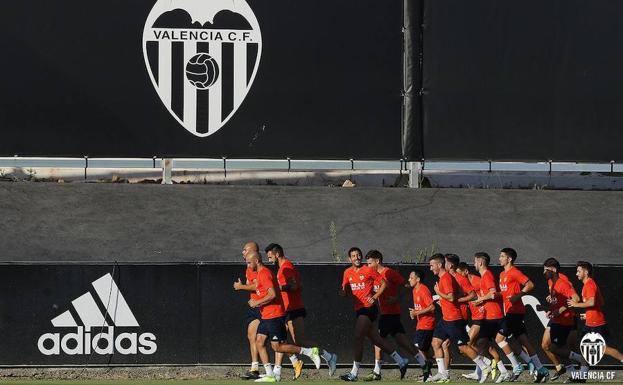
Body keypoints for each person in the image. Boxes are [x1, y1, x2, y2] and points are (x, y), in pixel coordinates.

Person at [246, 251, 322, 383]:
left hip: (275, 315)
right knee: (259, 341)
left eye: (249, 262)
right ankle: (270, 374)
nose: (247, 265)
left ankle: (309, 352)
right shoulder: (259, 274)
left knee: (278, 347)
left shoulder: (264, 273)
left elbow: (272, 294)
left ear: (257, 261)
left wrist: (256, 302)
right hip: (266, 315)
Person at [265, 243, 338, 379]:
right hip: (287, 309)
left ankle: (329, 356)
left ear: (277, 254)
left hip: (294, 308)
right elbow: (299, 284)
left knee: (298, 341)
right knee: (280, 341)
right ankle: (281, 370)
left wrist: (280, 288)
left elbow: (295, 285)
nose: (269, 260)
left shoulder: (286, 267)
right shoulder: (283, 267)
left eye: (270, 257)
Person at [339, 247, 409, 382]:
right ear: (350, 259)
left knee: (358, 336)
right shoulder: (347, 272)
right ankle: (401, 361)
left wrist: (375, 296)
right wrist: (343, 293)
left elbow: (384, 283)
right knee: (377, 340)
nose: (357, 257)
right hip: (359, 309)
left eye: (358, 255)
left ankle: (354, 373)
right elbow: (345, 291)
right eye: (354, 256)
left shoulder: (368, 269)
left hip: (368, 308)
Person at [364, 250, 431, 381]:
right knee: (404, 343)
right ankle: (424, 364)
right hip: (388, 314)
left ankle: (379, 371)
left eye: (370, 262)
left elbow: (405, 286)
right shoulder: (373, 275)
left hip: (390, 314)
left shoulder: (389, 273)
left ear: (378, 261)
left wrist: (396, 298)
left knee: (377, 341)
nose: (368, 265)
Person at [427, 254, 492, 383]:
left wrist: (439, 293)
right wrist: (443, 299)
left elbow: (454, 297)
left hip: (455, 318)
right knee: (436, 343)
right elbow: (451, 298)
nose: (430, 268)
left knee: (463, 347)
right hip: (446, 318)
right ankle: (442, 373)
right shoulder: (446, 277)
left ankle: (485, 366)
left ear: (443, 265)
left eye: (431, 265)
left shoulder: (449, 278)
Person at [493, 248, 548, 382]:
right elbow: (505, 294)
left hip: (515, 312)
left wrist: (518, 295)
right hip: (511, 312)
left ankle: (517, 365)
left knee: (499, 339)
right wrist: (495, 295)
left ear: (509, 259)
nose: (499, 258)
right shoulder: (502, 274)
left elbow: (530, 284)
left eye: (502, 256)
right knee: (523, 341)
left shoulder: (514, 272)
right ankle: (541, 370)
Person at [536, 258, 588, 383]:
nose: (543, 273)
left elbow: (575, 299)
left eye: (545, 270)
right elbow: (558, 299)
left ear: (553, 269)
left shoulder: (563, 281)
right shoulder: (551, 281)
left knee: (565, 347)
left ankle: (581, 368)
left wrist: (559, 310)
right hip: (557, 318)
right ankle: (568, 371)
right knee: (549, 346)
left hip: (566, 318)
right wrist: (549, 306)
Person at [233, 241, 279, 380]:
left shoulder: (262, 272)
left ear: (255, 253)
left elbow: (259, 287)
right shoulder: (251, 268)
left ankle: (296, 358)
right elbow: (252, 286)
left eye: (245, 250)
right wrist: (245, 287)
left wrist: (241, 287)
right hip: (257, 306)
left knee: (277, 343)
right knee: (253, 336)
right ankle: (256, 368)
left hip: (265, 307)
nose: (243, 252)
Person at [457, 260, 506, 383]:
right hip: (475, 317)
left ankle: (488, 365)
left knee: (468, 345)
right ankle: (485, 368)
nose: (457, 277)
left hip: (481, 317)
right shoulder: (463, 284)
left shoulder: (478, 280)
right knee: (480, 346)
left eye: (459, 273)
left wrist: (482, 304)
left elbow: (494, 294)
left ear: (466, 271)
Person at [567, 261, 623, 363]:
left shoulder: (589, 284)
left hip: (595, 323)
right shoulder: (588, 284)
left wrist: (576, 305)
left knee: (600, 348)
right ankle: (582, 373)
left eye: (579, 271)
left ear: (586, 272)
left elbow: (592, 302)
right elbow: (600, 302)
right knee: (587, 347)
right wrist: (588, 314)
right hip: (592, 321)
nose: (576, 274)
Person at [471, 253, 512, 384]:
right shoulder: (484, 276)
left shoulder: (487, 275)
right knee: (484, 345)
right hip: (489, 315)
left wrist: (480, 300)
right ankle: (501, 371)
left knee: (480, 344)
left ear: (480, 263)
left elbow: (493, 292)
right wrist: (482, 304)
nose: (474, 264)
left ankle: (489, 368)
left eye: (475, 262)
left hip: (493, 317)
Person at [408, 269, 435, 382]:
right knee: (423, 350)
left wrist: (416, 313)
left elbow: (432, 307)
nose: (409, 280)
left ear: (418, 279)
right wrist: (415, 311)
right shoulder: (415, 290)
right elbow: (421, 307)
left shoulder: (423, 290)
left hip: (427, 324)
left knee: (418, 348)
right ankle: (431, 365)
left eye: (411, 277)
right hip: (421, 324)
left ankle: (427, 374)